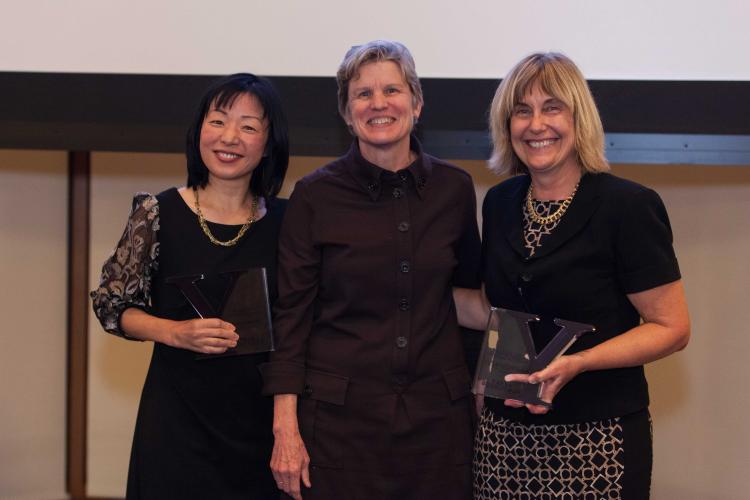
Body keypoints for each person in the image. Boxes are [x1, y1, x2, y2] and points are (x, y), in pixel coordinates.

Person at [454, 52, 690, 499]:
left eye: (552, 107)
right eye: (522, 111)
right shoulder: (500, 202)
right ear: (507, 126)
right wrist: (401, 287)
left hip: (597, 444)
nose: (536, 124)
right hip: (503, 443)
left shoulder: (628, 207)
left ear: (578, 118)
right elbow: (493, 309)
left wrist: (580, 362)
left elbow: (672, 328)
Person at [260, 40, 481, 500]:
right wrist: (285, 428)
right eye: (362, 94)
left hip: (439, 426)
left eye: (393, 90)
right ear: (346, 112)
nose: (379, 103)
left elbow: (468, 303)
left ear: (417, 104)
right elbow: (291, 317)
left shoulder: (455, 190)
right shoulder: (314, 196)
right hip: (339, 428)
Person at [90, 73, 289, 499]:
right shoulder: (157, 212)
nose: (229, 137)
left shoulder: (288, 222)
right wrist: (174, 332)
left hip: (261, 429)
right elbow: (111, 303)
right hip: (176, 426)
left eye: (249, 126)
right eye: (217, 121)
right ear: (199, 129)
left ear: (269, 144)